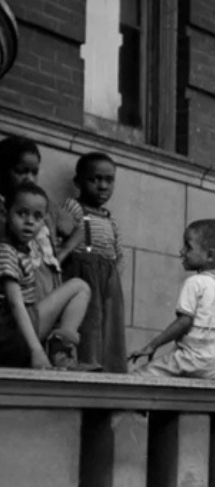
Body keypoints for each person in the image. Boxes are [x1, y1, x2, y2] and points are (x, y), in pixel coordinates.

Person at [130, 219, 215, 380]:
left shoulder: (195, 282)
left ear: (210, 255)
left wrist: (152, 346)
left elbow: (184, 322)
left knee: (138, 378)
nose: (182, 252)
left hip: (193, 360)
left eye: (188, 247)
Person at [0, 182, 91, 369]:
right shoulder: (6, 252)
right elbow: (16, 304)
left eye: (37, 216)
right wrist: (37, 352)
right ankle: (57, 349)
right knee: (79, 287)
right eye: (22, 213)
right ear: (6, 213)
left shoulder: (21, 252)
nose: (29, 221)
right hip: (10, 333)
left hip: (18, 331)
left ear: (44, 222)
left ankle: (60, 346)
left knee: (77, 289)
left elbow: (86, 231)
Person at [61, 151, 127, 373]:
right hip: (83, 273)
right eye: (95, 179)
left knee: (110, 322)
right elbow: (61, 235)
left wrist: (114, 276)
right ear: (79, 182)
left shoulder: (110, 218)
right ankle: (86, 362)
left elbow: (118, 253)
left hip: (107, 278)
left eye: (109, 180)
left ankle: (111, 368)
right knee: (89, 320)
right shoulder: (74, 207)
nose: (102, 186)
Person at [0, 135, 81, 301]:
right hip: (14, 297)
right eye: (21, 171)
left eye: (34, 172)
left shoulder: (45, 205)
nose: (29, 178)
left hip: (47, 291)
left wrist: (61, 254)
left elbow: (82, 229)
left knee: (81, 289)